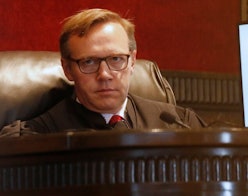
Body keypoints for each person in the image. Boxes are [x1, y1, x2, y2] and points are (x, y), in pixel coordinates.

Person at [0, 8, 206, 136]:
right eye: (89, 62)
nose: (105, 74)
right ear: (68, 69)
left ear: (132, 61)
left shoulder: (180, 125)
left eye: (116, 59)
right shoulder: (37, 137)